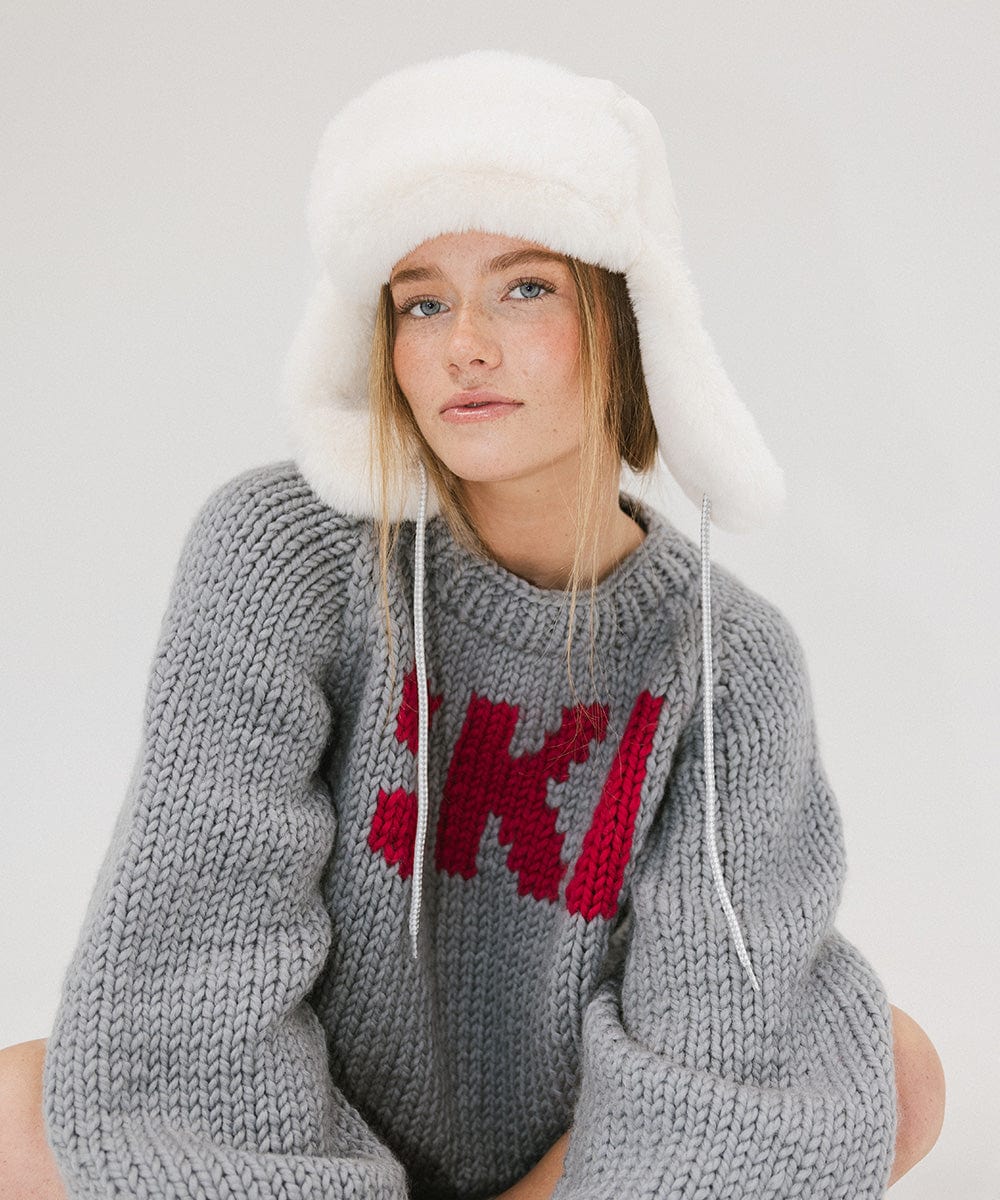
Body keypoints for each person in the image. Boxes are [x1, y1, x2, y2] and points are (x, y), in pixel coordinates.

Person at [0, 49, 944, 1200]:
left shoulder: (729, 660)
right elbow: (192, 954)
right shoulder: (280, 551)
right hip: (309, 1109)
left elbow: (726, 1027)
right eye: (423, 302)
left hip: (568, 1148)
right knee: (19, 1105)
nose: (465, 346)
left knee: (895, 1071)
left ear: (623, 314)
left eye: (525, 287)